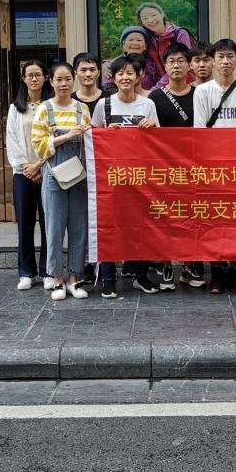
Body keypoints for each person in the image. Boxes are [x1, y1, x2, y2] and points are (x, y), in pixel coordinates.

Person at [91, 54, 162, 298]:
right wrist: (105, 132)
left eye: (130, 73)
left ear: (138, 76)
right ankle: (109, 278)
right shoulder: (104, 105)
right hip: (111, 178)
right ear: (113, 77)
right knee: (109, 226)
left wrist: (152, 127)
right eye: (120, 73)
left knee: (140, 227)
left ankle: (140, 275)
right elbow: (93, 138)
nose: (125, 77)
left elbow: (160, 140)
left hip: (140, 177)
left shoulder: (147, 104)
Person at [193, 38, 236, 294]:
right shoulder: (202, 91)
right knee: (213, 219)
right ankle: (217, 271)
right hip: (211, 167)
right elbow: (199, 130)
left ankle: (235, 269)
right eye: (220, 57)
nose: (225, 61)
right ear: (213, 61)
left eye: (230, 56)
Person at [31, 62, 92, 301]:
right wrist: (65, 137)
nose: (64, 84)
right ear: (51, 82)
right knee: (54, 229)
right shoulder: (44, 109)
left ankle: (74, 278)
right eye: (59, 79)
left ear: (73, 80)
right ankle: (56, 278)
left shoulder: (82, 109)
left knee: (79, 227)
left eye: (68, 79)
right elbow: (38, 146)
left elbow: (91, 143)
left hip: (78, 176)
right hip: (53, 176)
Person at [148, 43, 204, 290]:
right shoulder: (155, 97)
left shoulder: (200, 94)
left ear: (189, 65)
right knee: (166, 218)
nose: (176, 65)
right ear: (165, 66)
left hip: (195, 166)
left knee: (194, 216)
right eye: (171, 61)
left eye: (181, 60)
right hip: (165, 168)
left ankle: (191, 264)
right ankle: (167, 265)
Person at [6, 60, 52, 291]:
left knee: (48, 224)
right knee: (24, 224)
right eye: (29, 75)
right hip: (23, 174)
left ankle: (48, 270)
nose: (34, 79)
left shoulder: (52, 106)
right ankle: (26, 272)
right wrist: (28, 167)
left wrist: (41, 165)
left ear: (45, 77)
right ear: (23, 79)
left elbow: (54, 138)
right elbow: (12, 140)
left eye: (38, 74)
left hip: (48, 171)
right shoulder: (16, 108)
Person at [71, 52, 103, 288]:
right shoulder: (69, 101)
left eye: (92, 69)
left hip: (105, 170)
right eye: (83, 70)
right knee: (81, 218)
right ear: (76, 73)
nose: (88, 74)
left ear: (99, 72)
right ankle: (84, 265)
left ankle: (105, 263)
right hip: (76, 168)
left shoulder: (108, 99)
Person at [137, 1, 194, 89]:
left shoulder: (179, 34)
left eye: (153, 15)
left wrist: (157, 88)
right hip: (165, 87)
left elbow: (183, 63)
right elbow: (132, 53)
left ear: (162, 14)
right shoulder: (147, 39)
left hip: (186, 84)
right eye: (145, 18)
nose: (150, 20)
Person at [102, 26, 155, 94]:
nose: (135, 43)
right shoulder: (110, 65)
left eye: (139, 40)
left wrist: (149, 94)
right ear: (123, 45)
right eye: (130, 40)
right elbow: (108, 89)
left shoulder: (152, 64)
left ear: (145, 46)